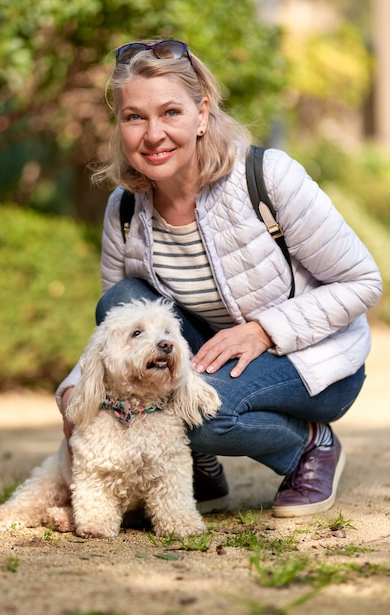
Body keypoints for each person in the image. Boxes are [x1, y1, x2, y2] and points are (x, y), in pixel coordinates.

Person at [56, 39, 382, 517]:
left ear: (202, 114)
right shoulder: (124, 210)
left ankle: (310, 446)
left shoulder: (266, 178)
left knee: (202, 415)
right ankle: (200, 467)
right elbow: (119, 328)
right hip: (214, 355)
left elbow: (362, 281)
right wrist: (73, 388)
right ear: (120, 125)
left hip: (314, 357)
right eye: (134, 117)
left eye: (171, 112)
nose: (153, 134)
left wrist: (264, 330)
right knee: (122, 299)